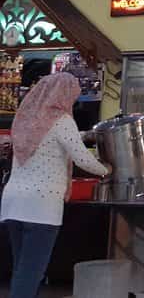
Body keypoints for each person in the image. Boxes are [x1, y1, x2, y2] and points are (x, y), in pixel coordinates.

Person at [1, 73, 109, 298]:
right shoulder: (61, 120)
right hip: (41, 207)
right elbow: (81, 158)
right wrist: (108, 169)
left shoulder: (25, 118)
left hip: (12, 204)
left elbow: (48, 141)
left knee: (23, 269)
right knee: (31, 272)